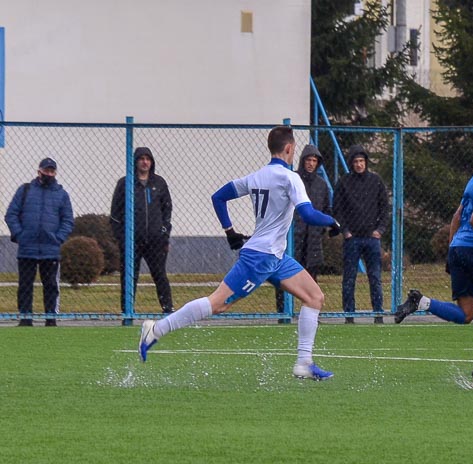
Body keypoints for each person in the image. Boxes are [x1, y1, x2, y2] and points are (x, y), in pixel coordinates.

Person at [139, 126, 340, 381]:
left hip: (275, 257)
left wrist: (230, 231)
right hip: (260, 257)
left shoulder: (256, 176)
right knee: (218, 303)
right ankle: (155, 329)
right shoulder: (291, 178)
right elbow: (308, 214)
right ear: (289, 148)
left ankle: (304, 362)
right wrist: (333, 221)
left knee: (314, 297)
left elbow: (218, 197)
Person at [394, 141, 473, 377]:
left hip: (459, 248)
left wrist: (451, 249)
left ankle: (420, 302)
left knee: (467, 313)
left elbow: (457, 216)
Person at [4, 158, 74, 326]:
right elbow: (11, 214)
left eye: (51, 171)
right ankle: (25, 318)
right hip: (27, 248)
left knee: (50, 285)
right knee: (25, 285)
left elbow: (68, 220)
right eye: (46, 170)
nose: (48, 174)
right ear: (39, 171)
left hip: (51, 249)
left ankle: (51, 318)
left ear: (55, 173)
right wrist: (20, 235)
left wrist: (58, 238)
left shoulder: (61, 194)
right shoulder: (25, 190)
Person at [110, 147, 174, 315]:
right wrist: (122, 238)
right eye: (141, 159)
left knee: (160, 275)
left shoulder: (159, 183)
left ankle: (168, 310)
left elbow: (167, 210)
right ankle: (127, 311)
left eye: (148, 159)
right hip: (132, 241)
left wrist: (164, 233)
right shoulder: (125, 183)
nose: (145, 162)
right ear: (135, 161)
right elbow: (115, 214)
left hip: (155, 241)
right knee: (129, 277)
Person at [332, 144, 389, 324]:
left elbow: (385, 208)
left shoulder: (376, 181)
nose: (359, 164)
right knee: (349, 279)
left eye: (362, 161)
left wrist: (379, 230)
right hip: (352, 239)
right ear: (351, 163)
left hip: (372, 239)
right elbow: (337, 209)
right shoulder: (343, 182)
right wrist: (346, 231)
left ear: (366, 162)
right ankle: (349, 315)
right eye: (356, 161)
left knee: (375, 278)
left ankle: (378, 313)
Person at [275, 144, 332, 321]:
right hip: (294, 237)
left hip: (313, 238)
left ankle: (311, 314)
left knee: (312, 277)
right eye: (308, 160)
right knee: (285, 276)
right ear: (303, 161)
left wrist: (322, 228)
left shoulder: (322, 186)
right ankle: (283, 312)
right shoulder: (294, 180)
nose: (311, 164)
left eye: (314, 161)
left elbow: (325, 209)